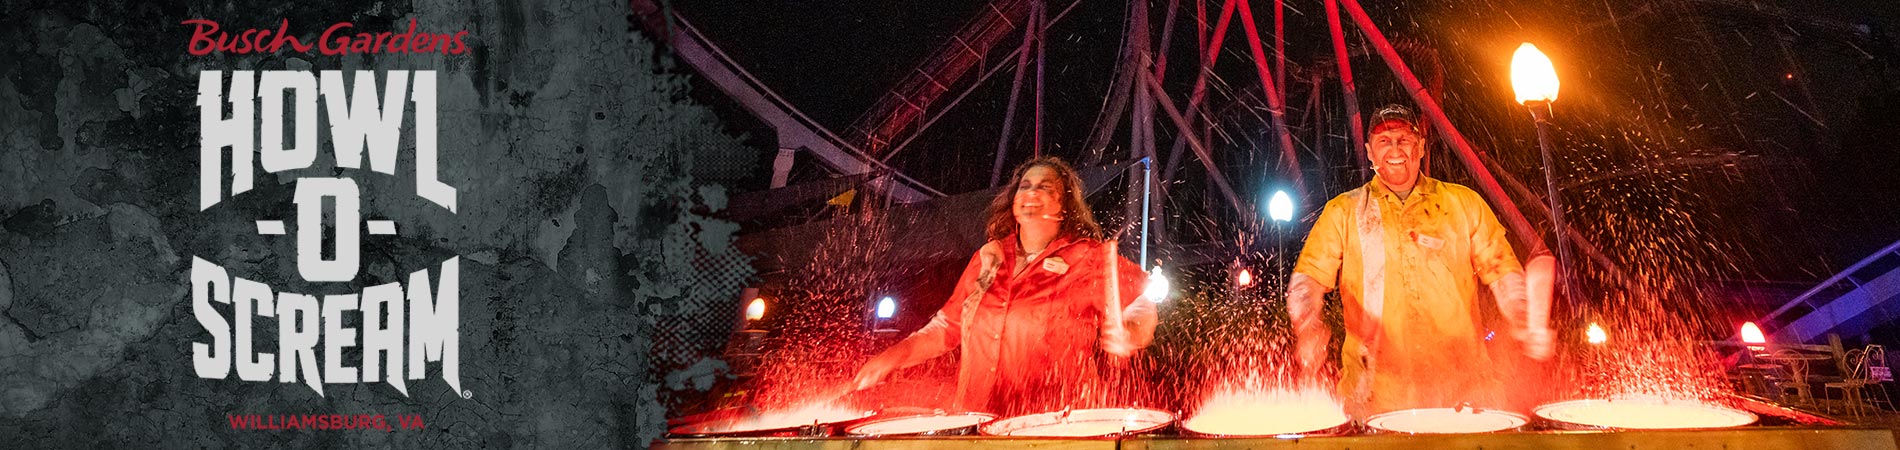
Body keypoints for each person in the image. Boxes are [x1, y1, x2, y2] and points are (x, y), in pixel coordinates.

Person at [1285, 104, 1554, 414]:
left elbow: (1502, 271)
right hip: (1375, 402)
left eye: (1405, 139)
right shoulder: (1343, 212)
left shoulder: (1463, 204)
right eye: (1384, 141)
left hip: (1465, 399)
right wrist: (1307, 326)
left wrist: (1523, 318)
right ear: (1370, 152)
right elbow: (1309, 278)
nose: (1395, 149)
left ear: (1422, 147)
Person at [851, 156, 1159, 415]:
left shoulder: (1088, 257)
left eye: (1045, 187)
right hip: (979, 422)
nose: (1031, 193)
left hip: (1058, 426)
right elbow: (947, 328)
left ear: (1064, 205)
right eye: (1024, 186)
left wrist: (1130, 332)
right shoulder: (988, 257)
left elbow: (1143, 301)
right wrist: (894, 356)